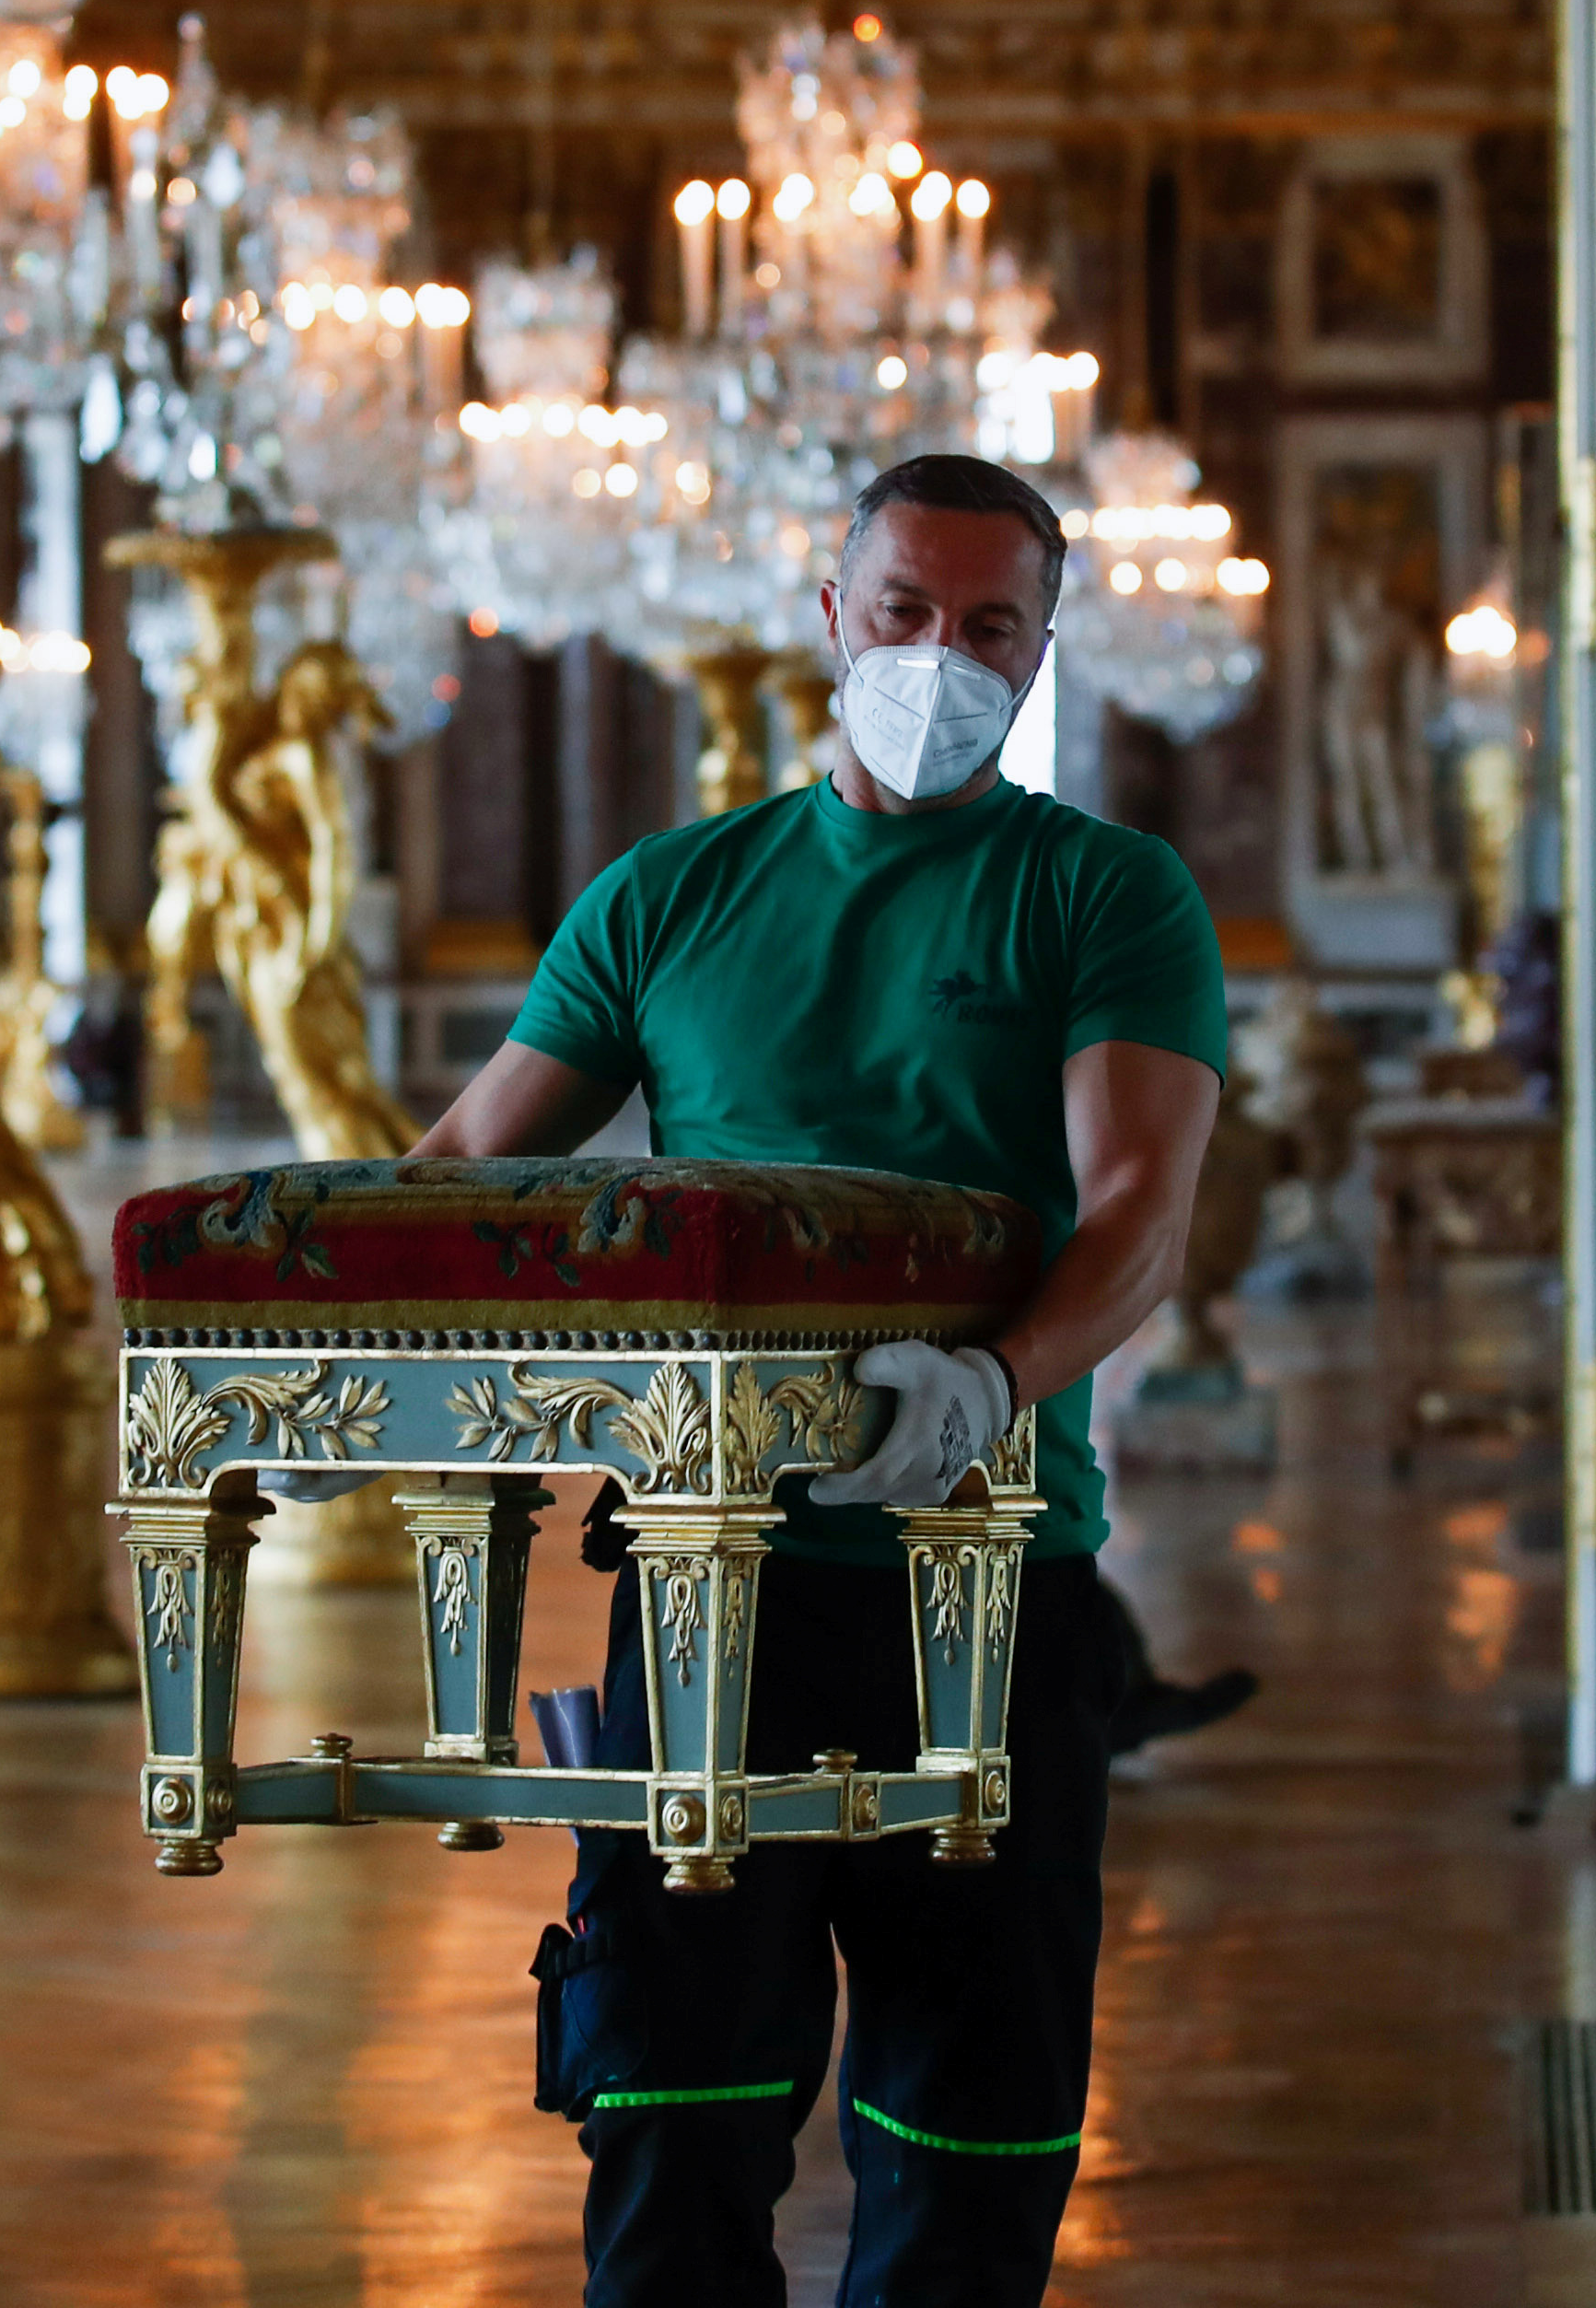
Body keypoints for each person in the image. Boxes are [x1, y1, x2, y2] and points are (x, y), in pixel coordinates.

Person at [408, 450, 1229, 2307]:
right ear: (828, 615)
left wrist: (990, 1381)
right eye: (907, 610)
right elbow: (468, 1164)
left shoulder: (1102, 891)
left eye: (991, 625)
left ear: (1041, 653)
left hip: (991, 1576)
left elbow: (1138, 1213)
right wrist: (348, 1352)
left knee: (969, 2135)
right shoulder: (675, 893)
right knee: (669, 2103)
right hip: (706, 1593)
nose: (943, 653)